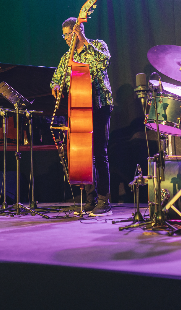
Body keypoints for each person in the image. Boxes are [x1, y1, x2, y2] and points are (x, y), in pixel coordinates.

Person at [51, 17, 113, 215]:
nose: (66, 39)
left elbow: (104, 62)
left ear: (78, 30)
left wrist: (84, 40)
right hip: (79, 108)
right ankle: (90, 199)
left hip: (100, 105)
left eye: (69, 34)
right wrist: (56, 85)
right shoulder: (66, 57)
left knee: (99, 153)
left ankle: (104, 199)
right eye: (64, 35)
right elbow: (56, 77)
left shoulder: (97, 45)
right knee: (84, 155)